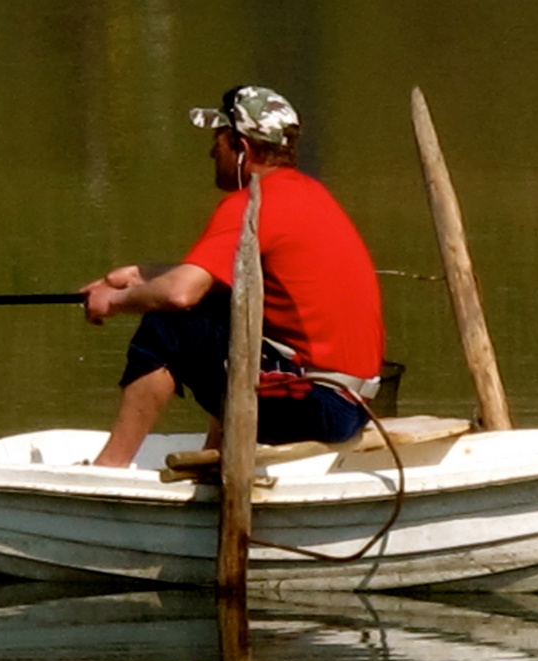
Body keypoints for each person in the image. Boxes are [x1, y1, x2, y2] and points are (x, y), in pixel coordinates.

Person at [80, 86, 386, 467]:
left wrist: (113, 301)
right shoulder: (309, 194)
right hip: (350, 403)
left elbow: (179, 295)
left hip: (315, 406)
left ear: (241, 147)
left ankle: (109, 468)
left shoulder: (252, 203)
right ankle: (216, 455)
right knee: (221, 312)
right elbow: (215, 279)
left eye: (218, 140)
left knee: (167, 324)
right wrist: (136, 275)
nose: (212, 151)